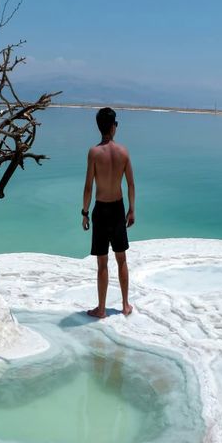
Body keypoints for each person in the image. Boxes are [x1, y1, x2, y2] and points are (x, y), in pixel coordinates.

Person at [81, 107, 135, 318]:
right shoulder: (123, 152)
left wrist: (84, 212)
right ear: (113, 126)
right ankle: (125, 305)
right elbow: (131, 184)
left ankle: (101, 309)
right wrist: (131, 209)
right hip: (118, 208)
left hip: (101, 210)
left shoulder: (94, 153)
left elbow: (88, 187)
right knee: (121, 259)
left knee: (102, 262)